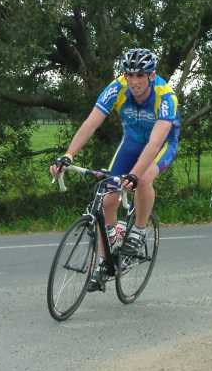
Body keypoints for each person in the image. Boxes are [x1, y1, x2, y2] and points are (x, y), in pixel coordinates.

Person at [50, 48, 180, 291]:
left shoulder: (165, 96)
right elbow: (91, 123)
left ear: (151, 76)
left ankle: (139, 230)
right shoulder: (117, 87)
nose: (134, 81)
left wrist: (134, 175)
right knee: (107, 199)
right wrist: (68, 155)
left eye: (140, 75)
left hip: (161, 143)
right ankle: (104, 261)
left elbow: (154, 144)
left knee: (143, 178)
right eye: (130, 75)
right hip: (131, 142)